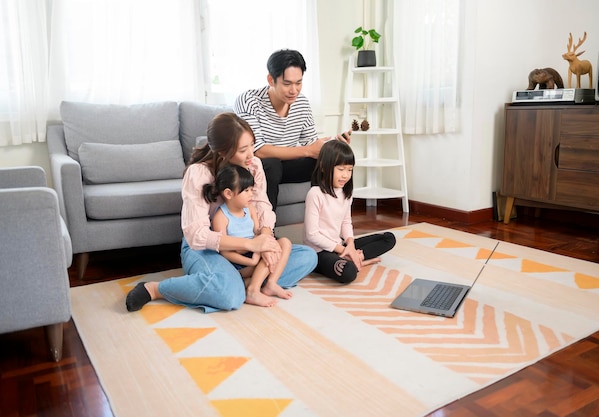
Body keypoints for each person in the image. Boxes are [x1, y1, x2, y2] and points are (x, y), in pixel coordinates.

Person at [125, 112, 317, 313]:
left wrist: (266, 240)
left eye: (252, 144)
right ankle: (157, 289)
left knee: (307, 256)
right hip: (207, 248)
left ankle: (245, 282)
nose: (251, 154)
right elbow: (197, 235)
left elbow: (262, 205)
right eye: (243, 150)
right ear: (223, 152)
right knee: (230, 297)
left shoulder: (254, 165)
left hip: (249, 246)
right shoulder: (199, 173)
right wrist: (250, 244)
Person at [234, 48, 351, 209]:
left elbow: (312, 143)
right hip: (257, 166)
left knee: (333, 160)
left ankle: (327, 225)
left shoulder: (301, 103)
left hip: (288, 165)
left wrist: (332, 146)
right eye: (287, 84)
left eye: (298, 83)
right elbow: (257, 151)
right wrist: (308, 150)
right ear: (271, 80)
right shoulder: (249, 101)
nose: (294, 90)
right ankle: (266, 229)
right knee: (271, 164)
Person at [303, 140, 396, 284]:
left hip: (340, 246)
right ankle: (353, 260)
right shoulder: (315, 194)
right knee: (348, 273)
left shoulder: (346, 192)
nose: (346, 175)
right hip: (319, 252)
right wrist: (342, 250)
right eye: (341, 169)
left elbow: (346, 222)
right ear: (323, 167)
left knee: (389, 238)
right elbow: (312, 235)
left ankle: (352, 257)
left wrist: (351, 246)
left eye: (350, 170)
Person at [208, 164, 292, 307]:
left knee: (285, 243)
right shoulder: (221, 217)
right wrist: (252, 261)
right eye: (246, 191)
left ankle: (270, 283)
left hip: (255, 252)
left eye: (251, 190)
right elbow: (224, 252)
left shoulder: (250, 209)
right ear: (228, 193)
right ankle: (253, 290)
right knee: (268, 260)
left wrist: (265, 243)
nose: (251, 195)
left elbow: (257, 232)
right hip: (239, 262)